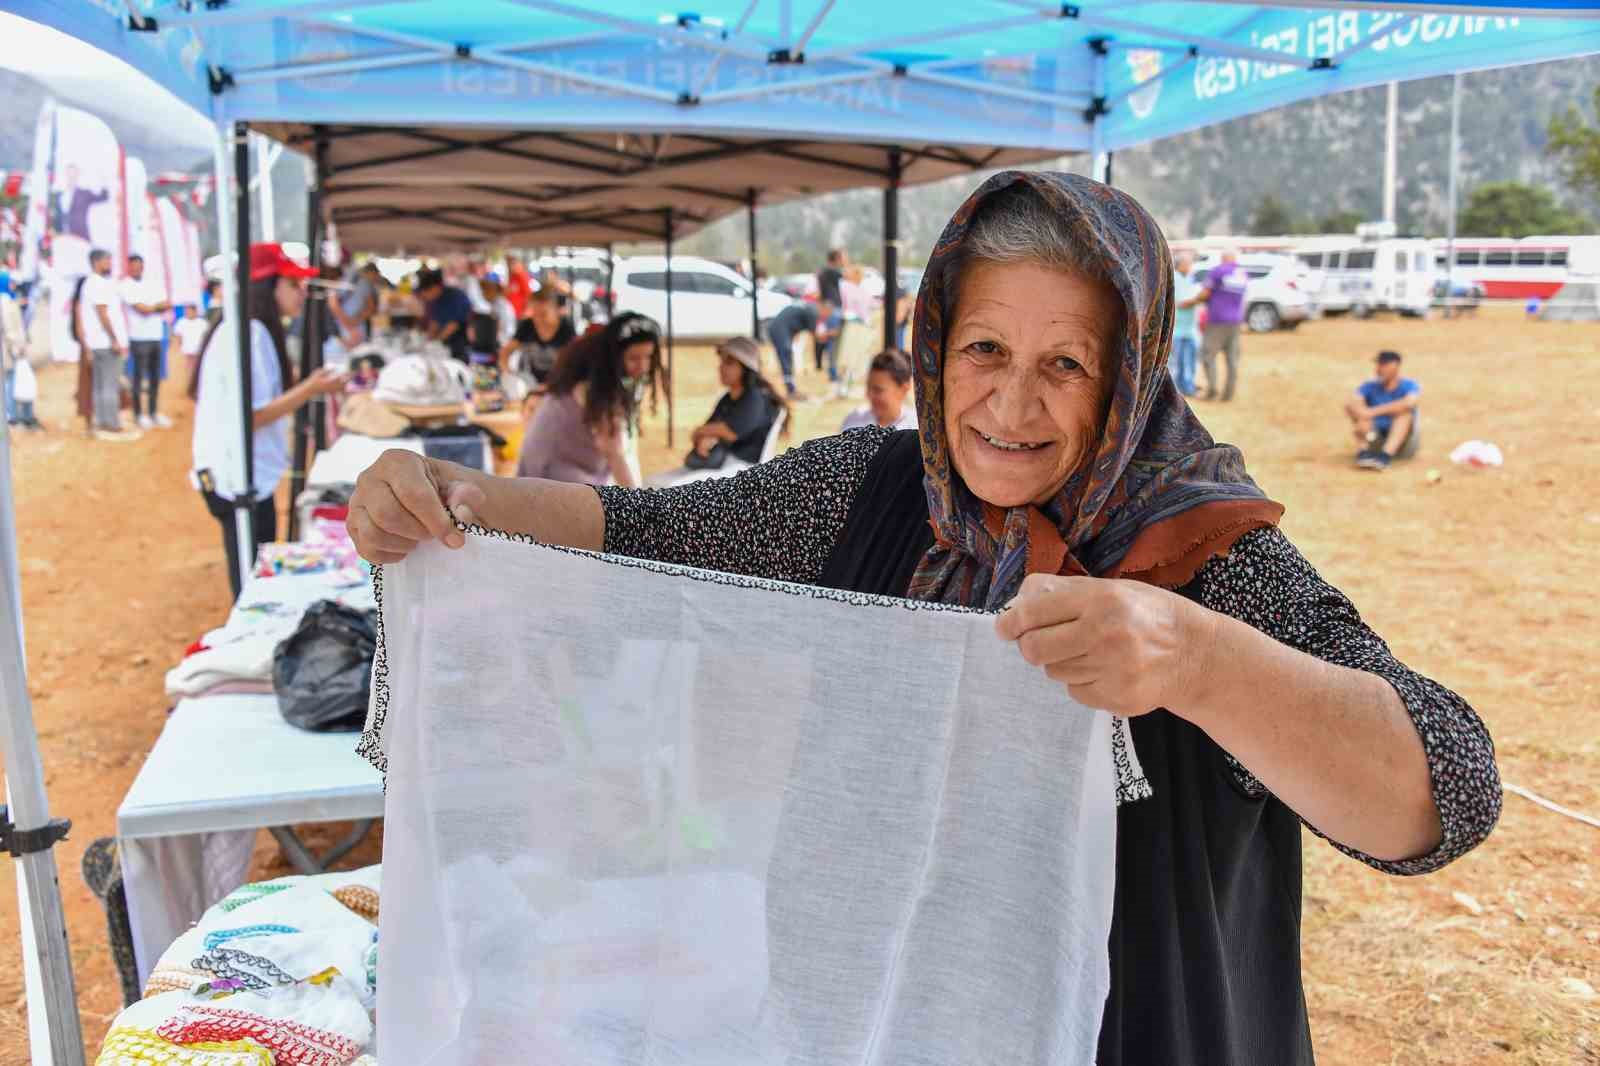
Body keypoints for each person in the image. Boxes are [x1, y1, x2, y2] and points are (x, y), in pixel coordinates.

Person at [347, 172, 1499, 1066]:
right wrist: (457, 499)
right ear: (937, 349)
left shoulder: (1203, 553)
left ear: (1133, 375)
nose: (1010, 401)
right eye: (985, 350)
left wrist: (1193, 659)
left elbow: (1446, 792)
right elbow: (648, 536)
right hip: (873, 1019)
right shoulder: (872, 491)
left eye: (1067, 364)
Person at [190, 244, 347, 599]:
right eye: (293, 284)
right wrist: (312, 388)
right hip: (236, 480)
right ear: (267, 286)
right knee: (249, 585)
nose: (302, 294)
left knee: (253, 573)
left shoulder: (252, 330)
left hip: (244, 475)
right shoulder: (248, 334)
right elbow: (254, 415)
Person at [514, 312, 660, 487]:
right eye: (633, 358)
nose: (643, 366)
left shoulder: (589, 374)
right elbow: (613, 452)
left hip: (553, 470)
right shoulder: (597, 389)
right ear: (615, 357)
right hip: (553, 477)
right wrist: (640, 508)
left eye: (648, 356)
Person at [687, 337, 787, 467]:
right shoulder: (727, 399)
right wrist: (702, 438)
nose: (721, 367)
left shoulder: (754, 398)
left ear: (745, 368)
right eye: (722, 361)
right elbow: (711, 426)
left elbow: (730, 433)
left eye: (729, 363)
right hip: (727, 462)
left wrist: (700, 432)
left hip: (743, 467)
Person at [80, 248, 136, 440]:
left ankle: (102, 421)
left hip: (97, 342)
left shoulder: (91, 283)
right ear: (96, 262)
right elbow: (103, 313)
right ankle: (111, 423)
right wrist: (114, 339)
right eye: (107, 261)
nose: (110, 264)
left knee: (100, 384)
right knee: (110, 384)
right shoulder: (97, 284)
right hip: (105, 342)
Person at [1345, 350, 1421, 471]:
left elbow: (1409, 402)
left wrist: (1372, 412)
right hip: (1374, 437)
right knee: (1360, 412)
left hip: (1403, 444)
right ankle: (1363, 453)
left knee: (1404, 414)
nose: (1379, 368)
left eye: (1383, 365)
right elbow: (1352, 403)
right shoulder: (1369, 386)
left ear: (1395, 366)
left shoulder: (1409, 385)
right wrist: (1362, 412)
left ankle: (1385, 457)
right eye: (1378, 364)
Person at [122, 253, 172, 430]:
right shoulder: (126, 286)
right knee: (137, 378)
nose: (136, 268)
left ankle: (153, 412)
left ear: (143, 266)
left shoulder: (153, 283)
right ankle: (138, 414)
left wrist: (152, 307)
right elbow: (141, 309)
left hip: (156, 336)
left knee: (155, 377)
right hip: (138, 337)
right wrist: (154, 307)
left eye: (138, 265)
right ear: (129, 268)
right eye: (132, 265)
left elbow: (167, 304)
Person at [1197, 248, 1248, 401]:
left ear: (1223, 258)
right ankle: (1228, 393)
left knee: (1208, 355)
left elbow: (1205, 293)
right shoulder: (1242, 274)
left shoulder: (1218, 271)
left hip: (1217, 320)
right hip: (1235, 321)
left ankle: (1212, 390)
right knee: (1232, 359)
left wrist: (1195, 300)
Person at [499, 286, 576, 386]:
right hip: (530, 383)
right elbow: (505, 352)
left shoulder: (566, 329)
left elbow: (573, 365)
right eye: (534, 313)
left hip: (558, 385)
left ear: (557, 311)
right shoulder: (527, 325)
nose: (538, 319)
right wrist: (508, 373)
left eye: (544, 314)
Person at [766, 298, 834, 400]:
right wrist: (832, 334)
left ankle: (791, 388)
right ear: (824, 309)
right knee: (786, 356)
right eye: (828, 314)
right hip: (779, 329)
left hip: (778, 328)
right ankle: (791, 390)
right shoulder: (813, 312)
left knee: (786, 357)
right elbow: (816, 336)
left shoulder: (809, 308)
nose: (827, 317)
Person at [840, 348, 917, 432]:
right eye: (869, 388)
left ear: (903, 389)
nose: (869, 395)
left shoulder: (916, 429)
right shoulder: (853, 423)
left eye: (878, 390)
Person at [415, 267, 472, 362]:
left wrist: (436, 341)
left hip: (459, 346)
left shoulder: (456, 296)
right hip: (443, 345)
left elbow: (454, 324)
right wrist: (428, 340)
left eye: (426, 293)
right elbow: (435, 322)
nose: (425, 297)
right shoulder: (436, 300)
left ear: (435, 288)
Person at [1169, 250, 1201, 397]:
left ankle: (1187, 386)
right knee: (1174, 362)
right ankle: (1173, 391)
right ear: (1180, 265)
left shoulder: (1190, 279)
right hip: (1177, 329)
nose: (1190, 266)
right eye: (1188, 263)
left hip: (1189, 328)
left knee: (1188, 361)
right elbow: (1180, 303)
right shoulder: (1175, 279)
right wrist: (1199, 299)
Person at [329, 261, 381, 351]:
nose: (376, 278)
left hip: (340, 329)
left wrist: (348, 323)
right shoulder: (366, 284)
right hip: (354, 330)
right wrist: (352, 323)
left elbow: (333, 304)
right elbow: (371, 308)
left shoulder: (342, 281)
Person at [814, 249, 847, 376]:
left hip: (827, 306)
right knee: (833, 339)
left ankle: (828, 368)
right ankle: (833, 371)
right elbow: (849, 275)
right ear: (837, 258)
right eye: (842, 258)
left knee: (829, 339)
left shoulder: (823, 271)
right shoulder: (832, 270)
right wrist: (845, 263)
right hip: (832, 308)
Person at [472, 272, 518, 361]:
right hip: (498, 349)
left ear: (495, 289)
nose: (483, 292)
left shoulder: (502, 306)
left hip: (505, 350)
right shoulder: (495, 304)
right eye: (483, 288)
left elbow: (505, 333)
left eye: (486, 288)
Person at [174, 303, 210, 380]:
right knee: (189, 365)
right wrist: (179, 345)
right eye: (186, 311)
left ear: (195, 311)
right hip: (187, 348)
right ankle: (189, 379)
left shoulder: (202, 322)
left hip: (199, 348)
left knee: (198, 365)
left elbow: (206, 335)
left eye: (189, 311)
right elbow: (178, 336)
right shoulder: (181, 322)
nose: (187, 312)